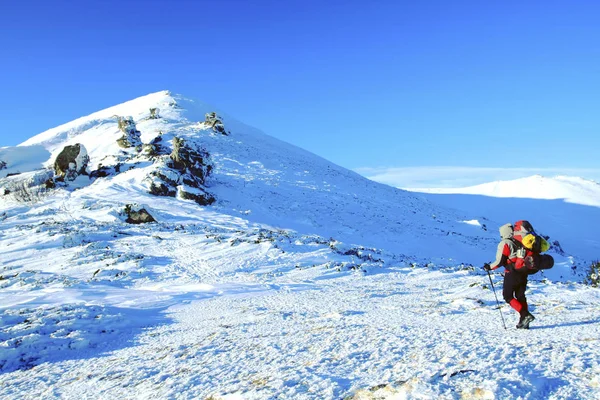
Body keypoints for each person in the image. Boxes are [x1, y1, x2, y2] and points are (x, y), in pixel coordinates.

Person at [484, 223, 535, 329]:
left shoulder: (505, 243)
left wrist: (489, 267)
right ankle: (523, 321)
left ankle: (525, 315)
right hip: (523, 272)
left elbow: (499, 261)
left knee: (508, 296)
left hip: (511, 273)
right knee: (520, 296)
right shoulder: (521, 242)